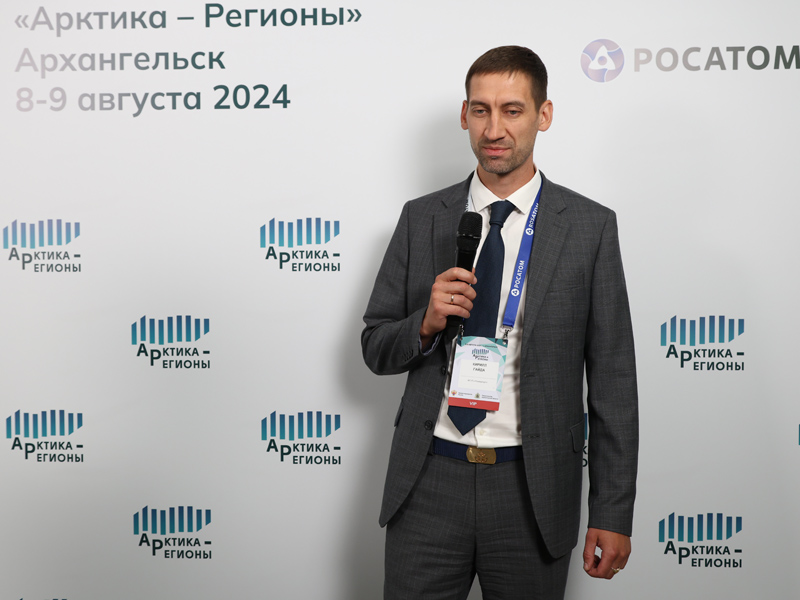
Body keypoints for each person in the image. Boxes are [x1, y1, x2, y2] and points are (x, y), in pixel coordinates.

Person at [361, 46, 638, 600]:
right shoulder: (422, 217)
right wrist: (425, 323)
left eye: (512, 110)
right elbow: (375, 346)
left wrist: (612, 511)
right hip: (428, 483)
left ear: (544, 115)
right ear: (464, 115)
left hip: (532, 490)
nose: (494, 129)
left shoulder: (590, 227)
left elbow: (613, 381)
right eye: (481, 109)